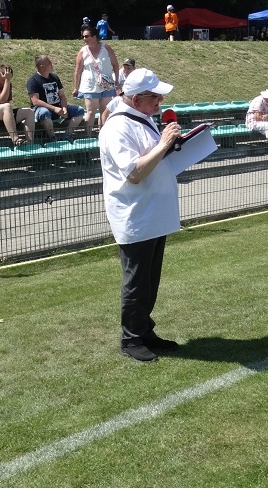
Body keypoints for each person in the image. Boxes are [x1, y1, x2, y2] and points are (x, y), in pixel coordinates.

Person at [99, 68, 183, 363]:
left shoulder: (141, 118)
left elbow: (150, 159)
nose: (160, 101)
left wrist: (173, 145)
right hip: (136, 215)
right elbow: (134, 172)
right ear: (136, 99)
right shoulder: (117, 127)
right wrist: (164, 144)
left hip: (152, 213)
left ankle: (144, 330)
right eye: (155, 96)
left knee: (149, 280)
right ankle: (131, 339)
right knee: (136, 281)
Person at [72, 27, 119, 136]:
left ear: (94, 37)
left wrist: (116, 80)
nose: (84, 38)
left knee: (105, 111)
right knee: (91, 112)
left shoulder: (106, 48)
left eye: (86, 36)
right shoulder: (83, 51)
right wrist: (76, 87)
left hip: (106, 85)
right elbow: (77, 71)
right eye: (83, 36)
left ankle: (103, 135)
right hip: (90, 86)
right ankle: (88, 136)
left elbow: (115, 65)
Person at [26, 55, 83, 141]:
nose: (51, 64)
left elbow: (62, 95)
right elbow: (35, 101)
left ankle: (67, 135)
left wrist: (64, 108)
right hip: (41, 109)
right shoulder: (33, 81)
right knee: (44, 112)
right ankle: (52, 138)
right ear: (42, 67)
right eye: (49, 63)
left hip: (58, 108)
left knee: (79, 110)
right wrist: (54, 108)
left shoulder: (54, 77)